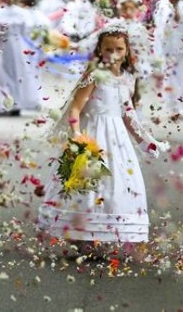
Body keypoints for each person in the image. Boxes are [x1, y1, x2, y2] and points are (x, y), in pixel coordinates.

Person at [38, 26, 168, 253]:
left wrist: (145, 141)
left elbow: (128, 115)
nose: (114, 54)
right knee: (89, 185)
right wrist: (77, 135)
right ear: (100, 49)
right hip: (93, 133)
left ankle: (105, 233)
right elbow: (75, 109)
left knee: (116, 185)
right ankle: (81, 237)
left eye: (119, 49)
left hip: (117, 138)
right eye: (109, 49)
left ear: (126, 51)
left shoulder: (128, 78)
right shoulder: (93, 75)